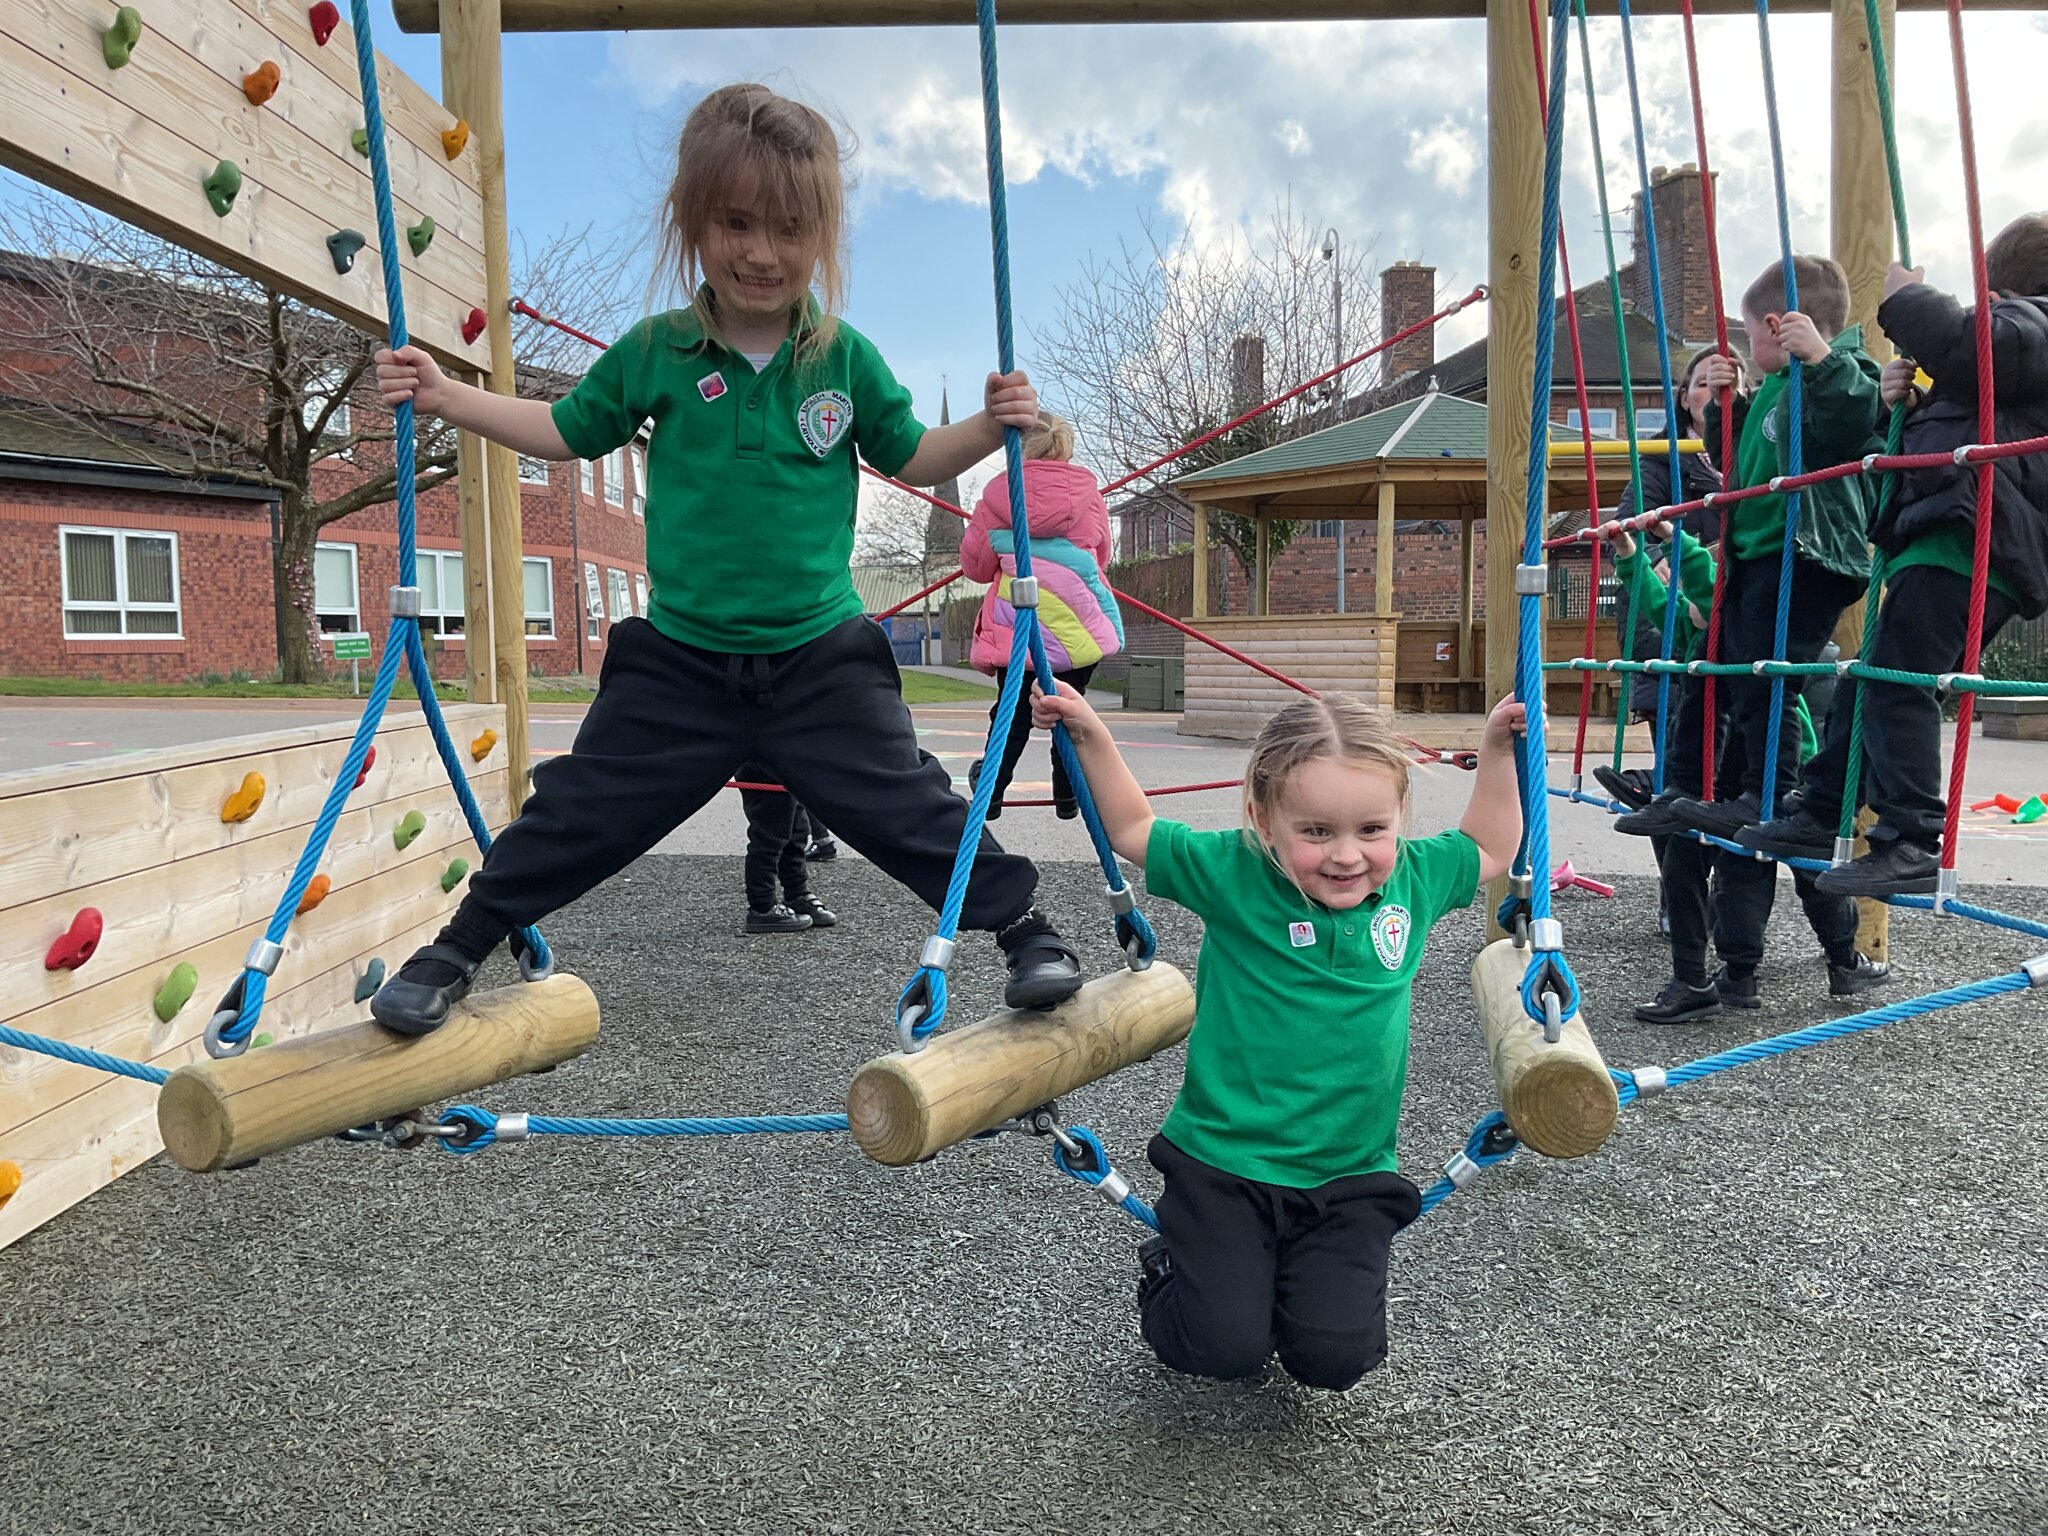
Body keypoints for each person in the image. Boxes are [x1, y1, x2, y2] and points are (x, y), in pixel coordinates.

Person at [365, 83, 1086, 1035]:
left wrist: (988, 429)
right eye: (734, 223)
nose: (760, 251)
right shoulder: (658, 351)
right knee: (581, 809)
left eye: (788, 228)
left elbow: (911, 455)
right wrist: (452, 399)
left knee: (910, 805)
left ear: (820, 236)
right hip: (683, 660)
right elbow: (566, 431)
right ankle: (456, 948)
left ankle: (1026, 929)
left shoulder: (841, 358)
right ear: (693, 223)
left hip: (821, 655)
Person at [1030, 683, 1525, 1391]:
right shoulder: (1236, 873)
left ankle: (1276, 1291)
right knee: (1223, 1349)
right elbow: (1134, 831)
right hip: (1224, 1166)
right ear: (1265, 820)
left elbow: (1489, 843)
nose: (1347, 856)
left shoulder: (1415, 879)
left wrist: (1497, 751)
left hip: (1350, 1175)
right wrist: (1091, 738)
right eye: (1316, 832)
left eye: (1371, 830)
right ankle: (1169, 1272)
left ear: (1398, 822)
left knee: (1333, 1359)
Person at [1737, 216, 2048, 896]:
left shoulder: (2035, 326)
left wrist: (1907, 297)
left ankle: (1910, 837)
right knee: (1869, 678)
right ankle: (1822, 808)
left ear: (2001, 288)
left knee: (1900, 679)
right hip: (1947, 532)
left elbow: (1974, 346)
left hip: (1971, 540)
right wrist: (1909, 403)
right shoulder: (2019, 350)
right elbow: (1974, 405)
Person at [1599, 513, 1884, 1020]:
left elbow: (1707, 588)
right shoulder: (1696, 632)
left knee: (1794, 864)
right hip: (1715, 772)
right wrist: (1628, 555)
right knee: (1695, 857)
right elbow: (1660, 602)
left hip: (1770, 767)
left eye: (1701, 595)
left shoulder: (1746, 638)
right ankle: (1713, 976)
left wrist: (1674, 538)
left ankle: (1836, 959)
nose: (1688, 604)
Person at [1665, 256, 1885, 842]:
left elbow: (1850, 423)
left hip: (1806, 557)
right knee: (1722, 672)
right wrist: (1723, 407)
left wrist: (1820, 358)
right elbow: (1737, 468)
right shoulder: (1772, 389)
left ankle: (1766, 795)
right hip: (1756, 556)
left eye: (1747, 332)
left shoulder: (1836, 374)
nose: (1745, 345)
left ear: (1773, 326)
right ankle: (1696, 786)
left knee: (1768, 678)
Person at [959, 411, 1123, 819]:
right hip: (1076, 625)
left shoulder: (997, 499)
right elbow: (1102, 556)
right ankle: (1068, 793)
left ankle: (992, 792)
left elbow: (976, 568)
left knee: (1011, 711)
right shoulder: (1089, 496)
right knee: (1069, 704)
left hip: (1021, 624)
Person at [737, 764, 835, 934]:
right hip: (762, 761)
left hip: (784, 760)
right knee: (769, 834)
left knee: (797, 830)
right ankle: (762, 907)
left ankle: (796, 894)